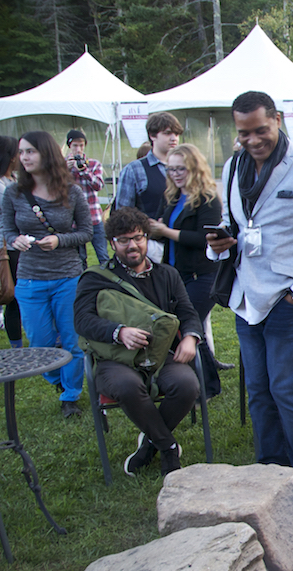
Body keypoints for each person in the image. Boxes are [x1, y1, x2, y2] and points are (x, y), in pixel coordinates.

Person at [206, 91, 293, 476]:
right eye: (243, 133)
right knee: (259, 394)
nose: (252, 141)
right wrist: (219, 244)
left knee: (286, 391)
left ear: (279, 120)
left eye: (260, 130)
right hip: (246, 299)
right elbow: (234, 225)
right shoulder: (234, 167)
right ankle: (268, 472)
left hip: (289, 301)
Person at [74, 207, 203, 476]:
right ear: (112, 243)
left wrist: (190, 338)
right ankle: (168, 448)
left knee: (187, 384)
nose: (132, 245)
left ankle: (149, 446)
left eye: (138, 237)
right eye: (124, 240)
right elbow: (82, 321)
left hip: (159, 356)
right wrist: (118, 331)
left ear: (146, 238)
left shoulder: (167, 275)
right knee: (127, 386)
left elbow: (188, 313)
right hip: (115, 359)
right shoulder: (95, 278)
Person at [3, 131, 92, 418]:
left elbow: (87, 232)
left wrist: (59, 240)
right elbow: (7, 230)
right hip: (29, 277)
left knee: (72, 339)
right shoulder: (13, 193)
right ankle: (58, 379)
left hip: (67, 276)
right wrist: (14, 240)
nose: (24, 157)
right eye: (21, 152)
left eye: (30, 151)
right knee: (40, 341)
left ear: (47, 154)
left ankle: (70, 396)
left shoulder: (72, 191)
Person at [147, 143, 222, 399]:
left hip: (202, 275)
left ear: (194, 167)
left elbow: (205, 239)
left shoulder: (208, 199)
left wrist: (166, 231)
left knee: (186, 325)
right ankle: (207, 385)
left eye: (181, 168)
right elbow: (160, 225)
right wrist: (154, 228)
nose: (176, 174)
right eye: (171, 169)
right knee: (191, 327)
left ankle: (205, 387)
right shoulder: (172, 196)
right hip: (175, 272)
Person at [115, 112, 183, 263]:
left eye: (176, 134)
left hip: (184, 246)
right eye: (167, 133)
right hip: (151, 249)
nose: (174, 138)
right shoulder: (134, 170)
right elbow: (123, 213)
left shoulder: (188, 167)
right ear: (152, 136)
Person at [0, 136, 23, 347]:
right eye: (18, 153)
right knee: (11, 296)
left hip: (10, 247)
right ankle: (16, 349)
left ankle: (17, 347)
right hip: (1, 250)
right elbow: (17, 207)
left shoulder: (9, 180)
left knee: (15, 299)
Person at [65, 129, 108, 265]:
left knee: (103, 255)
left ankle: (108, 281)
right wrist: (65, 170)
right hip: (73, 219)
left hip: (93, 217)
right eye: (75, 146)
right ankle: (83, 283)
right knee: (79, 258)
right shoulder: (62, 166)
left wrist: (84, 170)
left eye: (81, 145)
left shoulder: (93, 164)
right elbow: (56, 189)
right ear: (69, 146)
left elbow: (98, 186)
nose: (78, 149)